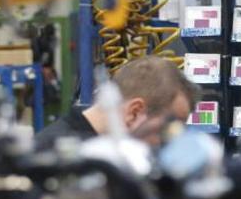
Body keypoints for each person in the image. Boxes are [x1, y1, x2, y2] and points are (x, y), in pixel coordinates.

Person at [35, 56, 199, 149]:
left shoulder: (106, 150)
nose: (166, 144)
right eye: (165, 130)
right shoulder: (58, 157)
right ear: (134, 112)